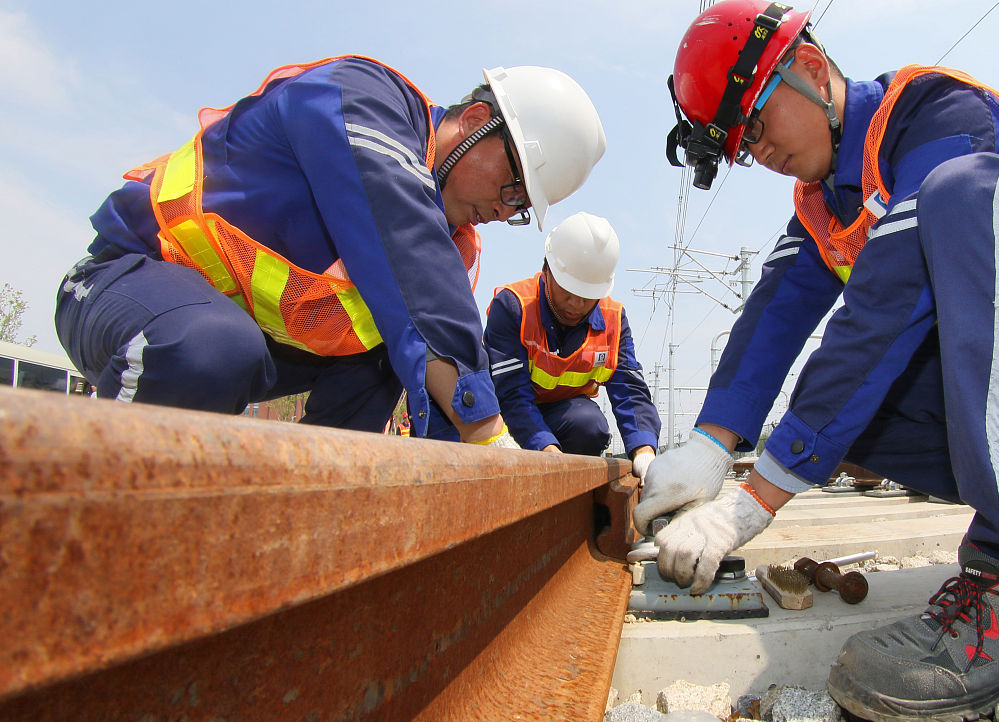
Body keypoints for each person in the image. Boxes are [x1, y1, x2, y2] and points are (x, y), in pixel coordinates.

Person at [636, 0, 999, 722]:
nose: (758, 154)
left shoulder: (935, 112)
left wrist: (755, 500)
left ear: (805, 68)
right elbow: (771, 317)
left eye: (757, 126)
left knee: (963, 194)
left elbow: (890, 294)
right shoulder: (823, 204)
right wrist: (712, 442)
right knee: (843, 414)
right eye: (742, 147)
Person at [55, 56, 606, 446]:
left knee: (390, 351)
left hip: (261, 350)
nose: (507, 209)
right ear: (479, 124)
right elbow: (409, 252)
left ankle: (305, 518)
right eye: (515, 186)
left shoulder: (452, 244)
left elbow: (436, 359)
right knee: (214, 348)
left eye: (523, 207)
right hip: (128, 283)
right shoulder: (362, 98)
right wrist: (485, 427)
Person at [484, 212, 660, 474]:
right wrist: (546, 450)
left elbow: (630, 390)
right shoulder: (514, 307)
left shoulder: (614, 320)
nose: (576, 305)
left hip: (564, 418)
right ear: (547, 271)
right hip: (509, 419)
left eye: (587, 296)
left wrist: (644, 450)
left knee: (589, 425)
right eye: (568, 291)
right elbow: (511, 395)